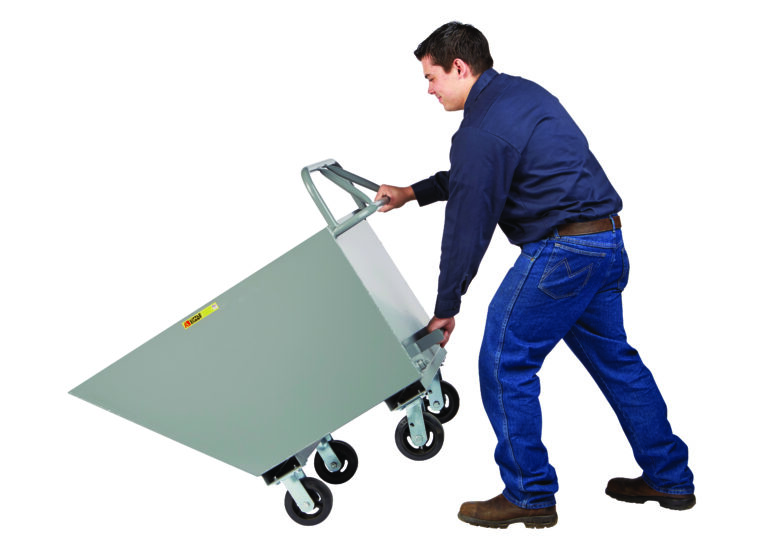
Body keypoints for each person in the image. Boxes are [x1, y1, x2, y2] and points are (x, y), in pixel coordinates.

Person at [374, 22, 695, 529]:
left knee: (504, 361)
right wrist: (413, 192)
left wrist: (446, 306)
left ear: (459, 67)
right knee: (618, 363)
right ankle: (670, 477)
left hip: (563, 254)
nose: (429, 89)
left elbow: (467, 225)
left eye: (432, 77)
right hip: (605, 243)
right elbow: (477, 177)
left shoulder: (480, 130)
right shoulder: (519, 95)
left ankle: (528, 493)